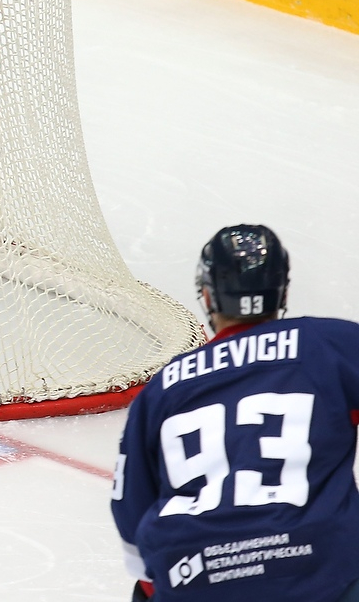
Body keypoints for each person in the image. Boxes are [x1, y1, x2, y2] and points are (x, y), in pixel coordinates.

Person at [111, 225, 359, 602]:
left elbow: (131, 517)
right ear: (282, 292)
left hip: (194, 575)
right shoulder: (329, 346)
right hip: (317, 571)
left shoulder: (164, 387)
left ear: (208, 295)